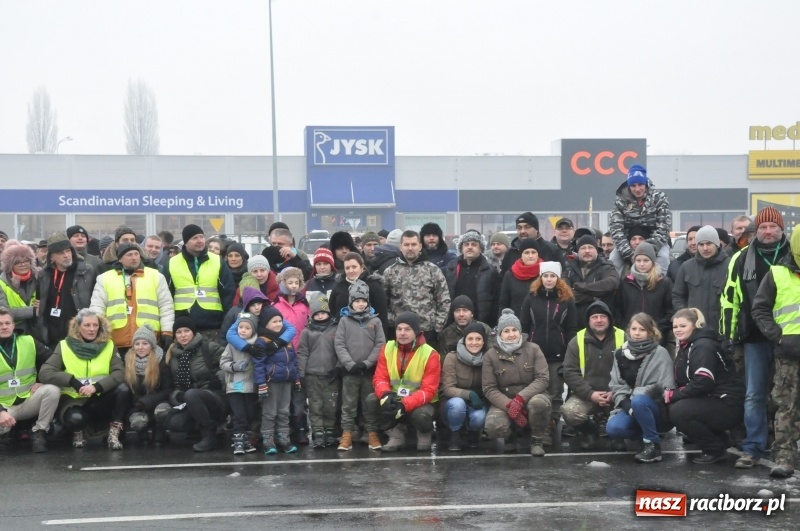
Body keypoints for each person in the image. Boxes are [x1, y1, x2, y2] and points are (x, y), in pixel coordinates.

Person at [720, 206, 791, 469]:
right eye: (763, 227)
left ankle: (787, 446)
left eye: (773, 226)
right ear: (755, 231)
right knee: (754, 395)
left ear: (782, 230)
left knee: (789, 395)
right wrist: (730, 334)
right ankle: (753, 447)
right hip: (753, 337)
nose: (768, 231)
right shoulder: (740, 258)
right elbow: (730, 299)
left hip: (790, 338)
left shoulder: (793, 256)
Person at [751, 227, 800, 478]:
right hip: (788, 353)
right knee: (786, 407)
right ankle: (784, 458)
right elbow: (760, 309)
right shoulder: (778, 274)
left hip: (787, 350)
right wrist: (778, 336)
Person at [39, 309, 127, 450]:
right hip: (73, 399)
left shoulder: (109, 345)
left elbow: (119, 373)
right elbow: (45, 373)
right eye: (87, 325)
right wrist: (72, 381)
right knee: (76, 419)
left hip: (98, 396)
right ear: (78, 327)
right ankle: (77, 432)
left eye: (95, 325)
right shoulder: (64, 345)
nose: (92, 329)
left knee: (124, 389)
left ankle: (114, 433)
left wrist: (97, 386)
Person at [666, 308, 744, 465]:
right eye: (675, 327)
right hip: (712, 399)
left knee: (679, 411)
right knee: (673, 406)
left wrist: (673, 395)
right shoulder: (687, 345)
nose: (678, 330)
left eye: (683, 326)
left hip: (728, 403)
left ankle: (715, 449)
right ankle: (720, 440)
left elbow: (703, 382)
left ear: (695, 325)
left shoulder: (702, 346)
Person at [519, 261, 577, 444]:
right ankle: (536, 425)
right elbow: (524, 325)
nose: (549, 279)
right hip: (534, 354)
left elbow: (571, 328)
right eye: (546, 276)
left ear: (558, 278)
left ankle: (550, 425)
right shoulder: (531, 297)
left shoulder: (567, 300)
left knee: (555, 392)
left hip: (557, 354)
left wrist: (568, 351)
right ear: (540, 277)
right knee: (536, 390)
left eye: (553, 276)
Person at [606, 313, 675, 463]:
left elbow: (665, 386)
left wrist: (636, 397)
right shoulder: (620, 353)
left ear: (651, 332)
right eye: (634, 328)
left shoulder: (660, 353)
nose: (637, 333)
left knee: (639, 400)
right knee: (613, 428)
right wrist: (628, 406)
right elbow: (617, 385)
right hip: (631, 406)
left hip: (657, 409)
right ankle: (645, 433)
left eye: (642, 329)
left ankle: (652, 445)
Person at [367, 312, 441, 452]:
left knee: (421, 418)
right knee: (372, 400)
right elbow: (380, 378)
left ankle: (424, 433)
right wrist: (385, 395)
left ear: (417, 332)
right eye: (399, 329)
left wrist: (404, 405)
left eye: (407, 329)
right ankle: (395, 434)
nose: (402, 333)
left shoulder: (430, 354)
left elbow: (429, 391)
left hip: (422, 403)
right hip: (395, 398)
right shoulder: (387, 348)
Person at [483, 308, 551, 456]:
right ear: (500, 334)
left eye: (514, 330)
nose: (511, 334)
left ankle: (537, 439)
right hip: (504, 401)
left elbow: (542, 379)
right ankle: (510, 436)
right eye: (506, 331)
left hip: (532, 396)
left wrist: (520, 399)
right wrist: (510, 406)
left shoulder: (533, 349)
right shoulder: (490, 355)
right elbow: (489, 388)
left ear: (520, 331)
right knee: (493, 425)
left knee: (539, 404)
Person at [560, 301, 625, 451]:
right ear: (588, 320)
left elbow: (634, 371)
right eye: (594, 317)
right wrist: (590, 394)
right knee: (569, 411)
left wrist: (615, 392)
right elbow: (569, 372)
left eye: (603, 316)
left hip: (617, 394)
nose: (599, 320)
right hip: (587, 395)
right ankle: (590, 433)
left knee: (634, 407)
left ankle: (618, 434)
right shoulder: (577, 340)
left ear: (609, 318)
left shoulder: (623, 337)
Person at [90, 242, 174, 357]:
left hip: (148, 340)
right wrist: (96, 333)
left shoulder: (156, 276)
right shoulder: (104, 278)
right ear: (119, 259)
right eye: (129, 255)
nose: (134, 257)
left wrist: (167, 331)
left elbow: (166, 306)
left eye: (136, 254)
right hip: (116, 341)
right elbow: (97, 308)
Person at [161, 315, 227, 452]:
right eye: (179, 332)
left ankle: (209, 434)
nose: (183, 335)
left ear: (193, 332)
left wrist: (218, 378)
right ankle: (198, 427)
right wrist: (177, 396)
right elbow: (176, 385)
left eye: (186, 331)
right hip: (191, 398)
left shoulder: (208, 347)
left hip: (215, 395)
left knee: (191, 394)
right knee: (174, 424)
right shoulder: (174, 355)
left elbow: (229, 365)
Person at [334, 280, 386, 451]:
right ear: (351, 302)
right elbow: (339, 344)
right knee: (348, 404)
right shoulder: (344, 321)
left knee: (368, 403)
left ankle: (372, 433)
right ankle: (347, 433)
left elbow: (380, 344)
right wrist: (349, 364)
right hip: (350, 371)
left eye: (363, 301)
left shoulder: (375, 321)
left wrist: (367, 363)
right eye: (357, 301)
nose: (361, 304)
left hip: (369, 371)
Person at [0, 307, 60, 453]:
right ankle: (5, 434)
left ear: (14, 325)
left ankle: (39, 432)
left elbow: (54, 361)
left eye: (7, 323)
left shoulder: (28, 341)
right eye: (0, 324)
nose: (4, 327)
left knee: (52, 390)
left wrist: (43, 380)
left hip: (28, 400)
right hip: (4, 407)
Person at [163, 224, 235, 342]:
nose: (200, 240)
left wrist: (226, 325)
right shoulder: (172, 263)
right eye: (195, 238)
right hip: (183, 328)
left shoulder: (217, 261)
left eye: (201, 237)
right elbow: (166, 298)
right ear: (186, 242)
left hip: (213, 327)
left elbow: (228, 293)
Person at [384, 231, 451, 345]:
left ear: (420, 246)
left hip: (426, 331)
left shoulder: (432, 270)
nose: (410, 248)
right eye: (406, 245)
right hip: (400, 332)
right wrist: (392, 322)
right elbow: (383, 302)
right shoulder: (390, 272)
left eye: (414, 244)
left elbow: (444, 300)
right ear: (401, 247)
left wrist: (437, 327)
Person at [35, 234, 97, 349]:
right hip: (52, 334)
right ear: (51, 257)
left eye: (68, 251)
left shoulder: (86, 271)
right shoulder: (44, 275)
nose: (66, 255)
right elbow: (39, 301)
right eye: (60, 253)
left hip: (79, 332)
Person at [254, 306, 301, 454]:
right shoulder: (262, 341)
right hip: (271, 381)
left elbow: (293, 360)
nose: (278, 324)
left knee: (284, 411)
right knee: (270, 411)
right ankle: (268, 440)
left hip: (286, 380)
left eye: (280, 321)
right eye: (274, 321)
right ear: (266, 324)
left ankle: (283, 438)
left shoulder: (285, 340)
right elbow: (258, 364)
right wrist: (261, 383)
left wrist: (296, 378)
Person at [609, 165, 672, 274]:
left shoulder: (659, 197)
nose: (637, 189)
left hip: (656, 241)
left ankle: (660, 286)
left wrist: (647, 250)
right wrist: (628, 253)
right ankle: (616, 290)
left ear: (646, 183)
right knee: (613, 260)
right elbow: (616, 229)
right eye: (633, 185)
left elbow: (664, 227)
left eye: (640, 184)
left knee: (663, 259)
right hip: (629, 242)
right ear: (629, 186)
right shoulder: (620, 201)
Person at [297, 293, 339, 449]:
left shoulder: (336, 329)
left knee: (330, 406)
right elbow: (302, 352)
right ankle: (318, 434)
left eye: (323, 313)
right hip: (312, 375)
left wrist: (338, 367)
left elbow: (340, 350)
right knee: (315, 406)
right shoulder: (307, 332)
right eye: (317, 314)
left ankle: (329, 433)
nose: (320, 316)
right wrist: (301, 373)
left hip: (331, 375)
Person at [672, 225, 729, 334]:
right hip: (694, 330)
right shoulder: (686, 267)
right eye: (701, 244)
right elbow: (678, 296)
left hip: (722, 331)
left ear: (717, 244)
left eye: (709, 243)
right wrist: (687, 317)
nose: (705, 248)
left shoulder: (731, 265)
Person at [122, 325, 173, 445]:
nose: (140, 347)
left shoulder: (162, 360)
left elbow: (168, 390)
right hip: (138, 405)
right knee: (137, 421)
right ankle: (142, 433)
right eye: (137, 344)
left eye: (145, 343)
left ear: (152, 345)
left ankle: (159, 432)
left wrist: (148, 400)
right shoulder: (127, 362)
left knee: (162, 412)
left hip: (159, 402)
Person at [441, 321, 488, 451]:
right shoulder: (452, 357)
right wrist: (469, 394)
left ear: (483, 342)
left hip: (478, 402)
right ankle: (455, 434)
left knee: (479, 416)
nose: (474, 342)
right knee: (458, 405)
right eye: (470, 339)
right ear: (464, 340)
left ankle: (473, 434)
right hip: (454, 400)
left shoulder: (488, 358)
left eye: (478, 339)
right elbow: (448, 388)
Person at [615, 242, 674, 345]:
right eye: (638, 260)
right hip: (631, 337)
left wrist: (655, 327)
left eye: (646, 260)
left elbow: (671, 311)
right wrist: (627, 327)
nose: (641, 264)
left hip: (656, 338)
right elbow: (617, 310)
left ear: (652, 261)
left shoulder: (664, 283)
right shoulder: (626, 283)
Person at [219, 312, 259, 455]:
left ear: (253, 330)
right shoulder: (231, 345)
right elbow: (223, 362)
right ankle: (238, 442)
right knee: (238, 414)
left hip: (250, 387)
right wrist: (234, 366)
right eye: (240, 327)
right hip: (234, 387)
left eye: (247, 328)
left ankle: (246, 440)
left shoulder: (257, 345)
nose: (243, 330)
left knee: (249, 414)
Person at [443, 230, 499, 327]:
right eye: (466, 244)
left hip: (482, 325)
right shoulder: (450, 269)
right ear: (461, 248)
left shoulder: (490, 271)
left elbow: (496, 301)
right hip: (454, 325)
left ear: (481, 248)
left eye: (474, 244)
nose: (469, 247)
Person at [563, 234, 619, 327]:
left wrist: (581, 287)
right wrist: (592, 297)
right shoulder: (569, 269)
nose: (587, 251)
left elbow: (611, 283)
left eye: (590, 247)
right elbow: (565, 292)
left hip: (600, 324)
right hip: (573, 324)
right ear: (578, 251)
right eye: (583, 248)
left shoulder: (606, 267)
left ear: (596, 250)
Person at [329, 252, 389, 336]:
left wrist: (382, 339)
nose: (351, 271)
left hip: (368, 335)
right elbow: (333, 310)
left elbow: (382, 314)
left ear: (361, 267)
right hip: (343, 335)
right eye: (347, 268)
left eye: (354, 267)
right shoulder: (339, 286)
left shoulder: (373, 286)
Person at [0, 240, 40, 335]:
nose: (23, 264)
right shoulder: (2, 283)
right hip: (14, 332)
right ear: (10, 265)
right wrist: (33, 311)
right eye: (17, 262)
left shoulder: (39, 278)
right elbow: (4, 312)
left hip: (38, 331)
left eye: (26, 261)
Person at [499, 238, 543, 319]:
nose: (530, 256)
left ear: (538, 254)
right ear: (521, 255)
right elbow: (504, 304)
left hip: (540, 323)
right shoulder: (510, 275)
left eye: (533, 252)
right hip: (516, 323)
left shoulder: (545, 273)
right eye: (526, 252)